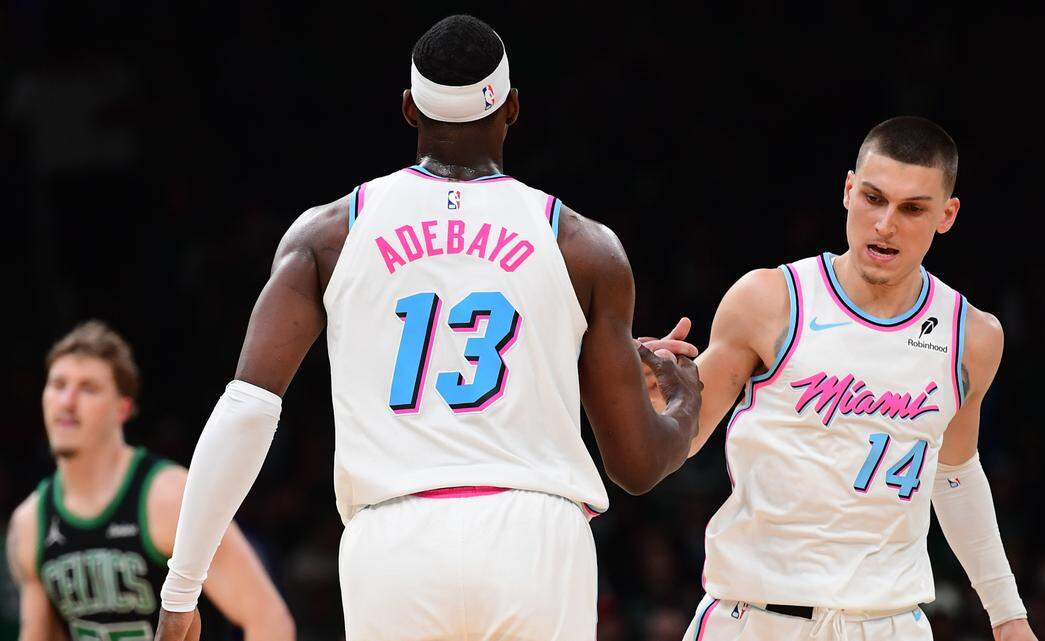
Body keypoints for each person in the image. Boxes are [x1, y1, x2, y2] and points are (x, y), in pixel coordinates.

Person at [154, 14, 701, 641]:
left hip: (393, 540)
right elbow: (636, 466)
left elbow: (247, 410)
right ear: (512, 108)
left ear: (410, 109)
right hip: (535, 538)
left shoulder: (329, 234)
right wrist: (684, 399)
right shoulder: (584, 246)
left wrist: (182, 589)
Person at [644, 117, 1038, 640]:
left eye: (912, 209)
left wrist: (1008, 615)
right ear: (848, 190)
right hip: (756, 616)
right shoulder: (770, 300)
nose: (885, 224)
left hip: (889, 623)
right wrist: (646, 401)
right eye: (873, 198)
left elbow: (955, 474)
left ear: (947, 215)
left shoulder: (973, 337)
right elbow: (679, 438)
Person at [5, 320, 294, 641]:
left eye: (88, 388)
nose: (67, 401)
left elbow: (269, 621)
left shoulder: (167, 496)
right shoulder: (31, 521)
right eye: (58, 385)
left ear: (123, 408)